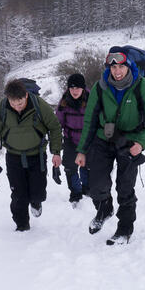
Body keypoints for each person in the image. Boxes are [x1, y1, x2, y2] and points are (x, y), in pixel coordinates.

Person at [75, 47, 145, 244]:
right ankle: (105, 208)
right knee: (96, 186)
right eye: (113, 66)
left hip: (129, 142)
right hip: (102, 139)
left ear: (128, 66)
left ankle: (124, 230)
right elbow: (89, 121)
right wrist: (81, 150)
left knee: (125, 188)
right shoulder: (100, 87)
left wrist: (140, 143)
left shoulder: (142, 87)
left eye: (121, 66)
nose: (117, 71)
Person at [0, 78, 62, 231]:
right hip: (14, 157)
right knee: (18, 195)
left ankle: (36, 202)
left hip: (37, 156)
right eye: (13, 103)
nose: (17, 107)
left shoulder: (39, 105)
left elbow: (54, 127)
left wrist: (56, 152)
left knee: (38, 192)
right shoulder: (2, 108)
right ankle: (22, 226)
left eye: (19, 103)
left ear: (26, 95)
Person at [55, 73, 90, 206]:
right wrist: (57, 147)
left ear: (83, 88)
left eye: (78, 88)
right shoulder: (64, 101)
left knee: (87, 165)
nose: (75, 91)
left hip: (87, 140)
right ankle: (75, 192)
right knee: (70, 167)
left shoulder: (91, 99)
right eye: (72, 88)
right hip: (70, 139)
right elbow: (58, 123)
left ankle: (87, 188)